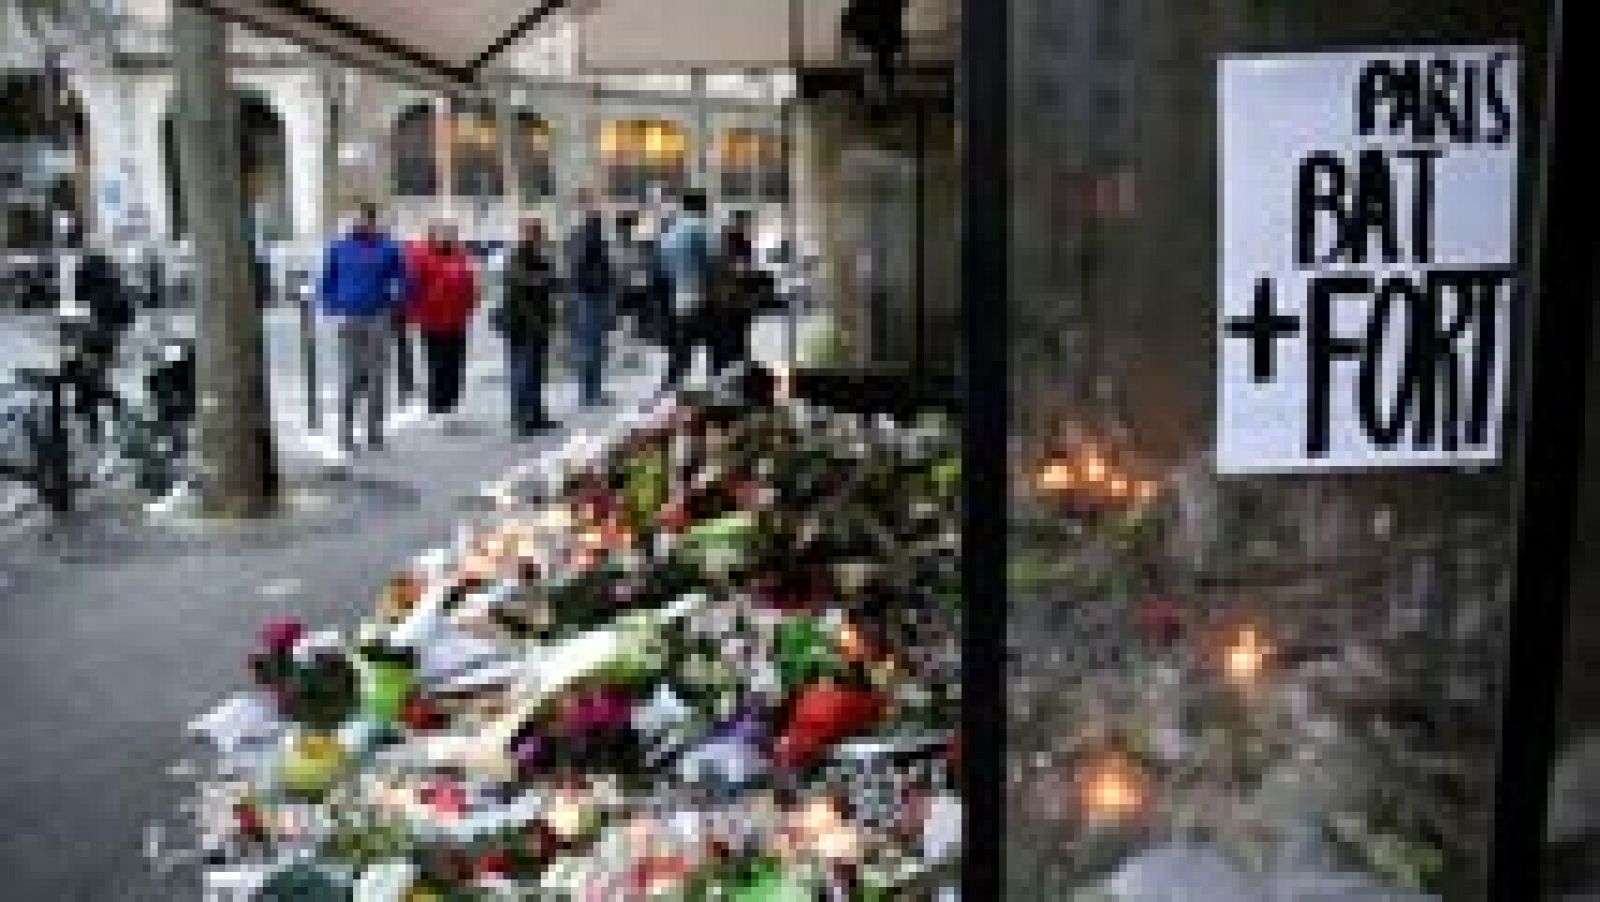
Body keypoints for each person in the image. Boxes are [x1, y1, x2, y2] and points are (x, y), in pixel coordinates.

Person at [320, 202, 409, 452]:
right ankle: (346, 433)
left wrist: (397, 300)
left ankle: (374, 432)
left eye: (365, 220)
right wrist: (332, 308)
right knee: (350, 376)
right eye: (356, 219)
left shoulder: (388, 247)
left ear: (373, 221)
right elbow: (326, 281)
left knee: (377, 376)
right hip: (349, 317)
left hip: (378, 316)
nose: (359, 223)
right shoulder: (339, 247)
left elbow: (404, 278)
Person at [405, 220, 479, 425]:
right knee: (436, 363)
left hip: (457, 319)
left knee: (455, 362)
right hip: (433, 319)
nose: (447, 238)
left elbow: (470, 284)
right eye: (444, 234)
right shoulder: (422, 257)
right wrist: (413, 313)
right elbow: (413, 286)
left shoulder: (461, 256)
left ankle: (451, 403)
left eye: (451, 235)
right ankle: (437, 405)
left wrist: (470, 306)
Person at [497, 217, 560, 435]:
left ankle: (535, 414)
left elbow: (553, 282)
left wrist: (545, 279)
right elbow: (525, 284)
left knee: (536, 371)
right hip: (522, 324)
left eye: (539, 233)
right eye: (536, 233)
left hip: (538, 321)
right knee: (522, 371)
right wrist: (543, 279)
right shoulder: (517, 256)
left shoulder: (539, 256)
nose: (540, 238)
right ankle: (521, 418)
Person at [657, 189, 716, 391]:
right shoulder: (700, 228)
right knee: (714, 340)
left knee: (682, 342)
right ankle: (714, 380)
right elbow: (711, 261)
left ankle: (672, 381)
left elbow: (662, 265)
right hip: (699, 293)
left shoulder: (671, 231)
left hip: (676, 294)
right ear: (702, 206)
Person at [566, 189, 615, 407]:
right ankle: (590, 393)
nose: (601, 207)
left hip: (588, 294)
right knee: (591, 345)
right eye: (595, 202)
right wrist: (597, 283)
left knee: (593, 344)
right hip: (590, 295)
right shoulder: (589, 231)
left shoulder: (585, 231)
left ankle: (592, 391)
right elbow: (581, 265)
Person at [709, 211, 757, 374]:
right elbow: (743, 268)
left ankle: (723, 364)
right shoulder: (736, 241)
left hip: (727, 296)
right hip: (732, 295)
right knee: (731, 330)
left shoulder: (724, 240)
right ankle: (726, 363)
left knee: (728, 330)